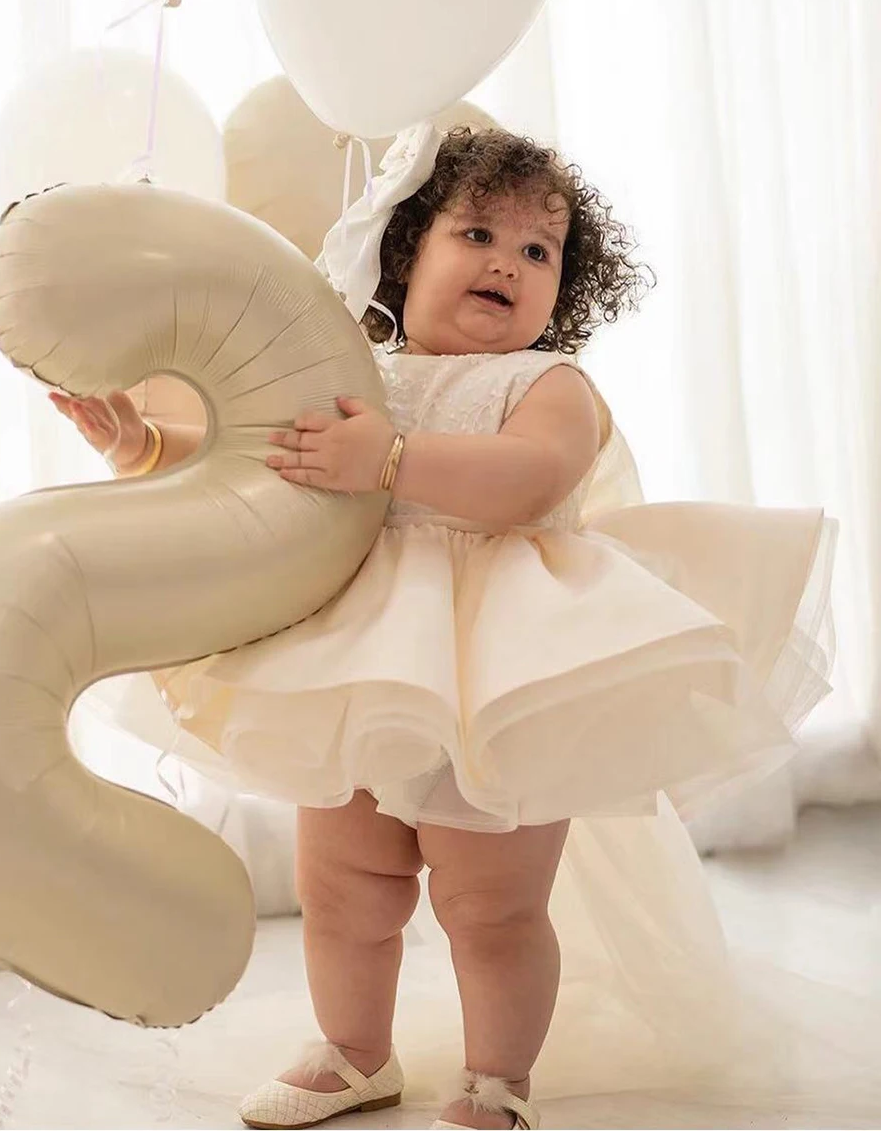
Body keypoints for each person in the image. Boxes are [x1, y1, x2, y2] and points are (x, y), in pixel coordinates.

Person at [53, 126, 836, 1130]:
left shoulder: (545, 385)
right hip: (355, 660)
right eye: (476, 232)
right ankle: (351, 1050)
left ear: (565, 292)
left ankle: (497, 1078)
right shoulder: (353, 371)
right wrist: (148, 440)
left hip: (503, 670)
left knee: (490, 905)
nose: (507, 261)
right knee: (341, 884)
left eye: (538, 251)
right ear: (405, 249)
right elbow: (261, 457)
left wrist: (389, 462)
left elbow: (532, 482)